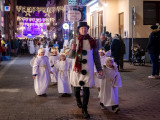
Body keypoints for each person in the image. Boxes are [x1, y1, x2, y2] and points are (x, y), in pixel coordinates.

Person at [68, 22, 103, 118]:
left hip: (88, 67)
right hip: (77, 68)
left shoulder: (92, 41)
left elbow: (96, 55)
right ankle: (78, 100)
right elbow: (70, 56)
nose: (84, 30)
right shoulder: (74, 40)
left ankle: (84, 109)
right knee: (77, 87)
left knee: (87, 88)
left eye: (85, 28)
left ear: (87, 30)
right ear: (79, 30)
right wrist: (72, 50)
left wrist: (99, 68)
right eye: (82, 28)